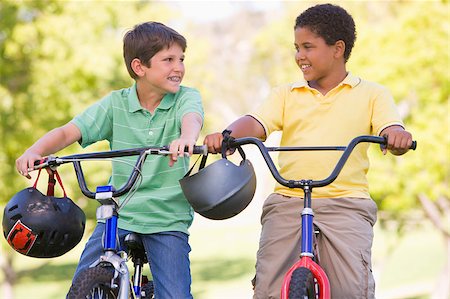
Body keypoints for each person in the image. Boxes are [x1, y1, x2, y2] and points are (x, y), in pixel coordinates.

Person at [204, 3, 413, 299]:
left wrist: (396, 136)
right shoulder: (287, 94)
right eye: (296, 48)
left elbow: (390, 128)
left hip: (346, 202)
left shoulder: (372, 94)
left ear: (337, 49)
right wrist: (228, 135)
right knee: (268, 288)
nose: (299, 56)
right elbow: (256, 123)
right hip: (288, 198)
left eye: (308, 47)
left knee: (350, 289)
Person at [16, 21, 203, 298]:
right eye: (168, 60)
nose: (179, 67)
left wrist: (187, 137)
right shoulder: (116, 104)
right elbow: (70, 130)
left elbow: (192, 117)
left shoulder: (185, 98)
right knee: (82, 283)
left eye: (181, 59)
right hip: (120, 211)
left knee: (175, 294)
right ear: (140, 68)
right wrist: (35, 150)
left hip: (166, 217)